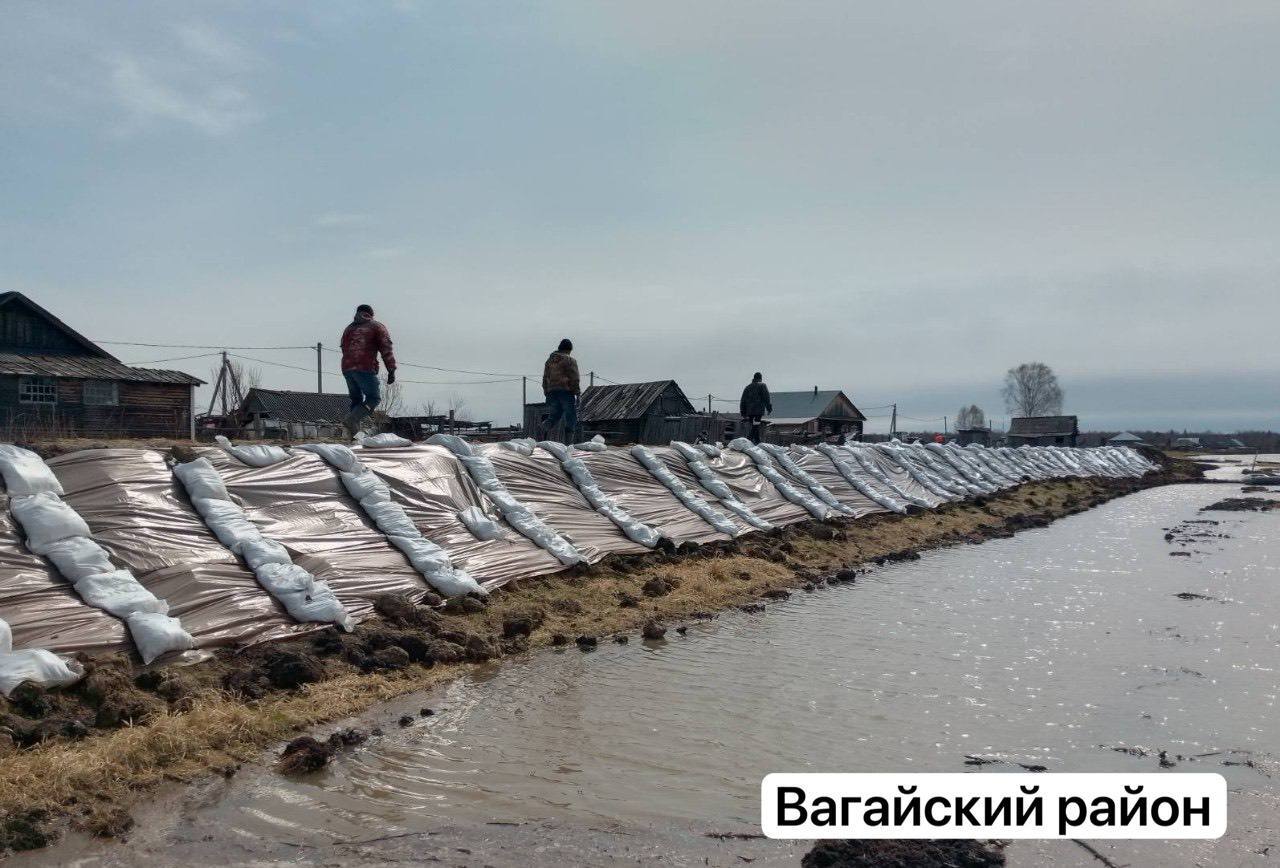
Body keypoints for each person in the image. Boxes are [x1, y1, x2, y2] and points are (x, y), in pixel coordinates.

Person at [340, 304, 396, 436]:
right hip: (364, 367)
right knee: (373, 398)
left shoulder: (348, 329)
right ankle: (351, 420)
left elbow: (343, 347)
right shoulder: (376, 326)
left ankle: (353, 436)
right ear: (371, 314)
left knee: (356, 401)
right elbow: (386, 347)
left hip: (347, 368)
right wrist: (391, 369)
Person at [540, 338, 580, 445]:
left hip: (552, 392)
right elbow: (574, 378)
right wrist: (577, 393)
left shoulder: (549, 361)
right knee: (571, 415)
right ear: (569, 350)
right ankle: (568, 444)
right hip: (565, 392)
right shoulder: (569, 360)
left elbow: (545, 378)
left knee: (554, 416)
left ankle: (543, 430)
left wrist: (546, 392)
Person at [739, 372, 772, 444]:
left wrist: (742, 411)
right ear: (760, 378)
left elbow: (743, 400)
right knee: (756, 425)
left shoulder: (748, 387)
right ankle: (749, 439)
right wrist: (769, 408)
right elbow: (766, 397)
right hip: (758, 410)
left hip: (749, 411)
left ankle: (757, 442)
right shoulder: (762, 385)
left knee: (755, 426)